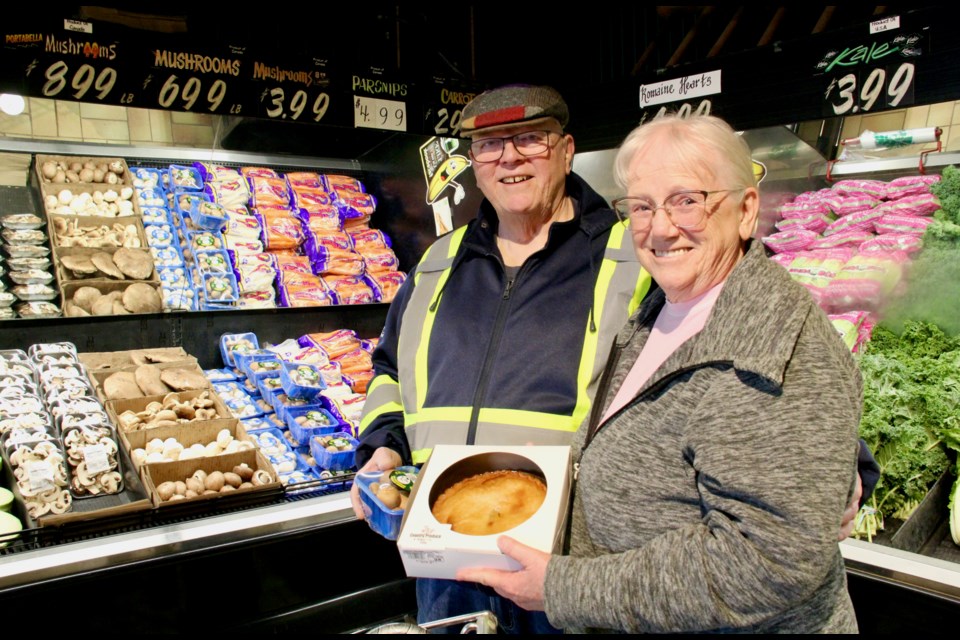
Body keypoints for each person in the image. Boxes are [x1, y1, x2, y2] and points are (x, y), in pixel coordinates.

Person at [457, 113, 864, 633]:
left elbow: (767, 562)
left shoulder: (766, 347)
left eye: (687, 200)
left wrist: (565, 588)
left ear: (745, 210)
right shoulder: (664, 308)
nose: (662, 227)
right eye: (643, 207)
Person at [350, 84, 652, 634]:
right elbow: (390, 371)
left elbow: (711, 370)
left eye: (529, 139)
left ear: (565, 150)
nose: (508, 157)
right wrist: (384, 450)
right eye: (489, 145)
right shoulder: (438, 263)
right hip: (448, 564)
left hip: (571, 567)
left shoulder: (633, 255)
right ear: (474, 163)